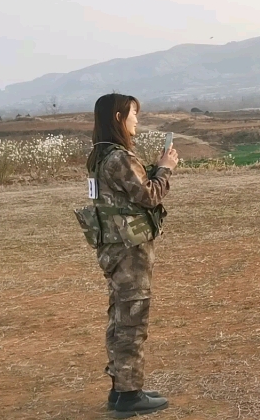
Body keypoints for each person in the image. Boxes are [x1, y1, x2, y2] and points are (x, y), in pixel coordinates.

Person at [87, 93, 179, 417]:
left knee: (120, 318)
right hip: (129, 252)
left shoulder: (99, 157)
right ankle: (129, 395)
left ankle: (121, 388)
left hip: (114, 249)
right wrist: (166, 169)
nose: (136, 120)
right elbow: (149, 195)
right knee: (132, 321)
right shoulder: (119, 159)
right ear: (118, 118)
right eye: (132, 114)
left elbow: (128, 195)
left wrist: (153, 167)